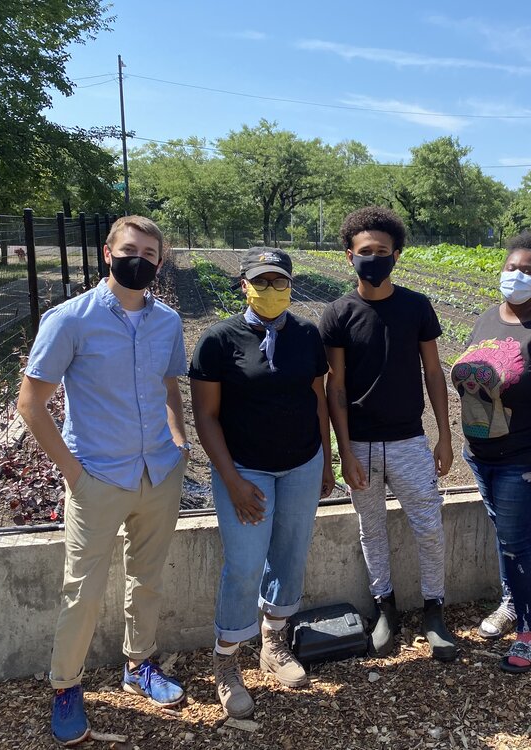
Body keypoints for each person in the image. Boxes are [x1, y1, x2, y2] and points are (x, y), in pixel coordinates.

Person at [17, 216, 189, 746]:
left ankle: (139, 666)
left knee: (149, 579)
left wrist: (179, 442)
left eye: (151, 253)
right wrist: (75, 475)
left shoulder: (167, 322)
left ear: (159, 263)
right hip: (98, 478)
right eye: (130, 249)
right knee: (83, 593)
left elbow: (168, 383)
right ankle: (66, 686)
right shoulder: (71, 319)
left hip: (157, 472)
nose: (141, 258)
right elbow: (32, 404)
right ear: (108, 254)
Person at [190, 248, 334, 718]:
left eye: (280, 282)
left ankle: (273, 643)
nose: (271, 290)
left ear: (291, 286)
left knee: (290, 554)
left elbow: (318, 399)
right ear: (244, 285)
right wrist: (230, 480)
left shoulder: (307, 336)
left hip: (301, 464)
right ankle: (227, 662)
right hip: (245, 470)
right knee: (245, 566)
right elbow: (206, 418)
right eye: (261, 281)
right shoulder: (218, 341)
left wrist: (325, 460)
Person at [319, 206, 458, 662]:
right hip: (360, 443)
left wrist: (443, 436)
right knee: (371, 528)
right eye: (365, 251)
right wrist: (344, 451)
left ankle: (434, 610)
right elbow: (334, 386)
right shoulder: (338, 313)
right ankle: (385, 608)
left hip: (408, 441)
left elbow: (434, 373)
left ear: (396, 255)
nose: (373, 258)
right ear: (349, 256)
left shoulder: (416, 306)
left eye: (382, 251)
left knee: (429, 527)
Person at [452, 230, 531, 673]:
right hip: (481, 455)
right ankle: (511, 603)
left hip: (523, 460)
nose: (517, 276)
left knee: (515, 543)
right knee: (506, 537)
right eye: (512, 268)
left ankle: (528, 633)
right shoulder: (488, 317)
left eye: (528, 271)